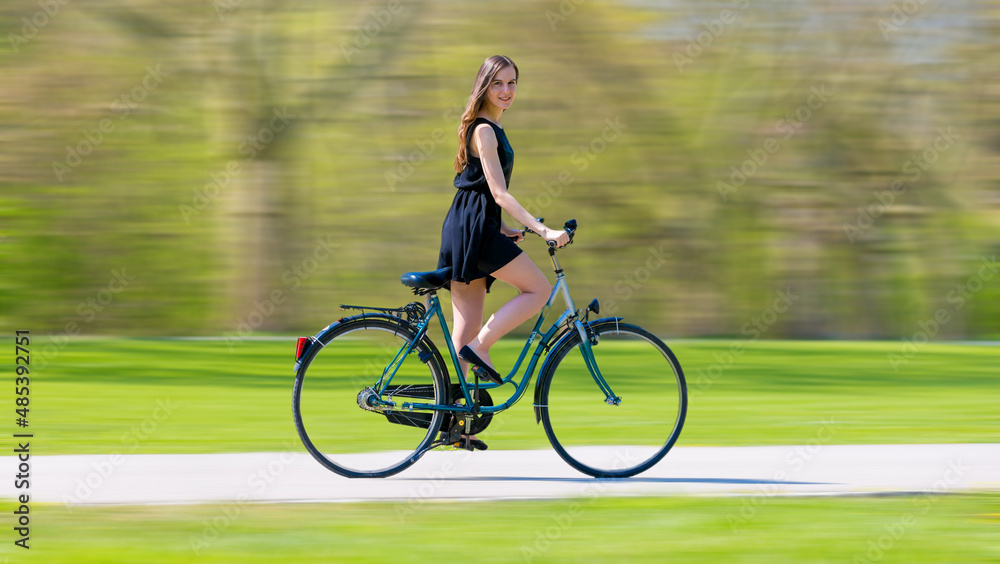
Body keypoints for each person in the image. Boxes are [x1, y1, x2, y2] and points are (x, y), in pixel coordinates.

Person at [438, 55, 571, 390]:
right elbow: (498, 194)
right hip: (475, 232)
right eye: (497, 83)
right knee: (539, 290)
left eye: (512, 83)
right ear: (484, 86)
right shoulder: (485, 130)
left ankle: (457, 424)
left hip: (469, 228)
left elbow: (476, 191)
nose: (506, 90)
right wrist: (545, 231)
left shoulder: (488, 126)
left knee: (465, 330)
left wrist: (503, 229)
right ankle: (481, 349)